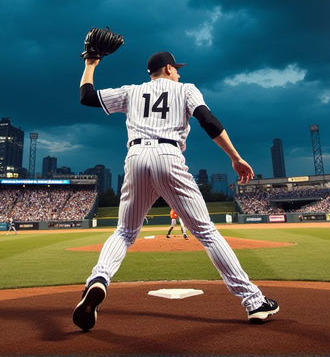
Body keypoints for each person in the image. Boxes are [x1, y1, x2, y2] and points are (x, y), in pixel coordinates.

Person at [72, 50, 279, 331]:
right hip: (168, 155)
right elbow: (208, 120)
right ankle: (253, 302)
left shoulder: (131, 91)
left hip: (134, 157)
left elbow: (86, 97)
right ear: (168, 68)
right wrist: (235, 156)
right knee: (206, 232)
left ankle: (98, 280)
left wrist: (90, 64)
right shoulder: (185, 89)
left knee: (124, 232)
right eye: (177, 68)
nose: (179, 72)